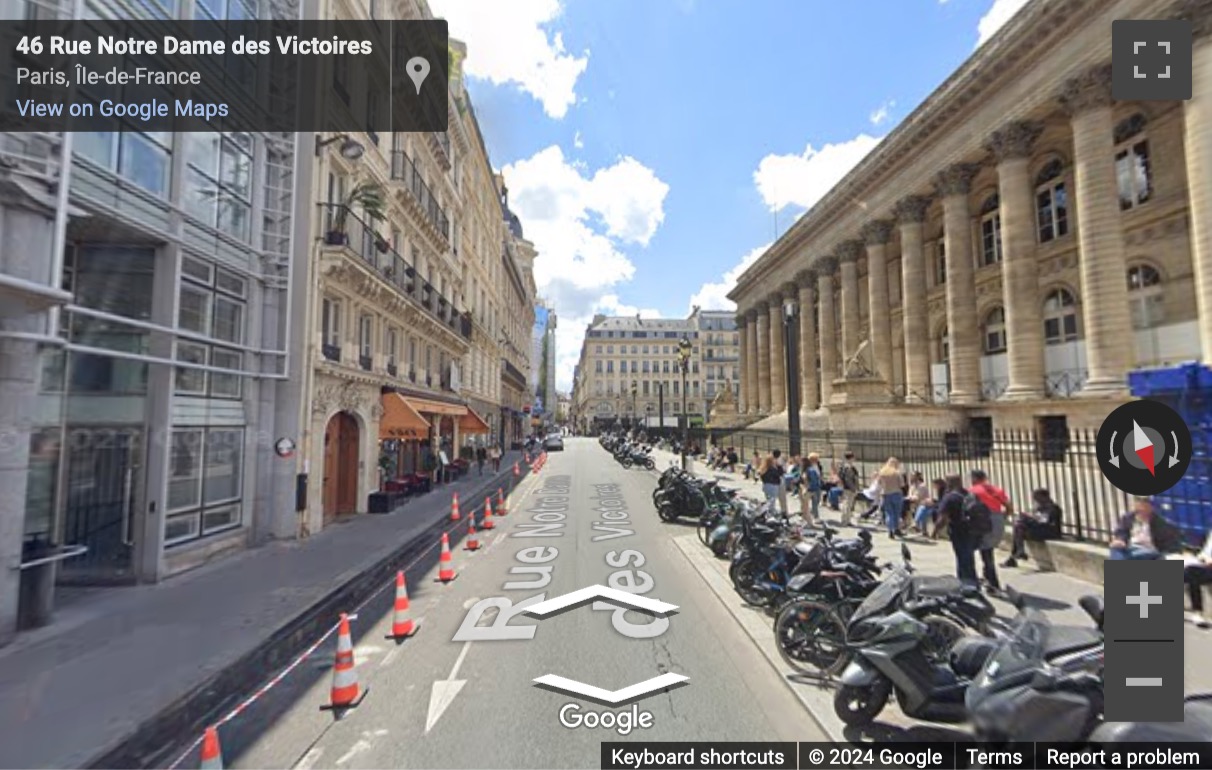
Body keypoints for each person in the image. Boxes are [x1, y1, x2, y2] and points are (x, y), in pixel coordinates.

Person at [969, 469, 1011, 593]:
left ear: (974, 479)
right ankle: (988, 578)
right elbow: (1009, 506)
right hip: (997, 520)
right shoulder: (996, 490)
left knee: (985, 554)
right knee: (988, 551)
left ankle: (992, 583)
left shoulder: (973, 491)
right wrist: (1003, 517)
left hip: (983, 522)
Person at [1002, 488, 1063, 568]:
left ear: (1044, 497)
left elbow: (1044, 522)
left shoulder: (1052, 508)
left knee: (1019, 528)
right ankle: (1018, 553)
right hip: (1040, 530)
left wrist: (1030, 519)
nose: (1036, 500)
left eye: (1037, 498)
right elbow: (1037, 519)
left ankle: (1016, 555)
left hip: (1050, 532)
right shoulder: (1040, 507)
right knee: (1018, 527)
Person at [1109, 497, 1181, 560]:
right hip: (1130, 548)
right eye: (1139, 508)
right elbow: (1121, 532)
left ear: (1151, 508)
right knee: (1116, 549)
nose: (1142, 510)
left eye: (1145, 507)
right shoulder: (1128, 518)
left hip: (1150, 551)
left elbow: (1170, 546)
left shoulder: (1161, 523)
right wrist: (1120, 540)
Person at [940, 474, 978, 586]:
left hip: (958, 530)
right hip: (971, 528)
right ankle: (972, 580)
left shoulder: (950, 497)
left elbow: (943, 517)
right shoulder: (968, 494)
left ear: (949, 483)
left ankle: (966, 583)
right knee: (969, 556)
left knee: (962, 557)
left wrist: (936, 531)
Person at [1184, 529, 1212, 628]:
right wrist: (1202, 558)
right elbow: (1205, 552)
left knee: (1192, 573)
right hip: (1205, 565)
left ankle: (1197, 612)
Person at [876, 458, 906, 539]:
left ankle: (890, 531)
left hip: (886, 494)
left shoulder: (882, 472)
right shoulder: (897, 473)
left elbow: (878, 483)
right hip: (896, 493)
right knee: (897, 513)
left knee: (889, 513)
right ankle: (896, 529)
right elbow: (902, 484)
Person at [800, 453, 823, 527]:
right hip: (813, 488)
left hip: (809, 489)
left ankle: (807, 520)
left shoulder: (808, 469)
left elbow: (806, 480)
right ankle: (810, 520)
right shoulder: (811, 469)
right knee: (809, 504)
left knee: (806, 505)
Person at [837, 451, 860, 526]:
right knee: (847, 504)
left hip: (846, 487)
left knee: (848, 504)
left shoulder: (844, 466)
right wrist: (853, 488)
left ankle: (847, 520)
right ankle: (845, 520)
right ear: (851, 458)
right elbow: (848, 479)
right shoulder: (848, 467)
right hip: (849, 488)